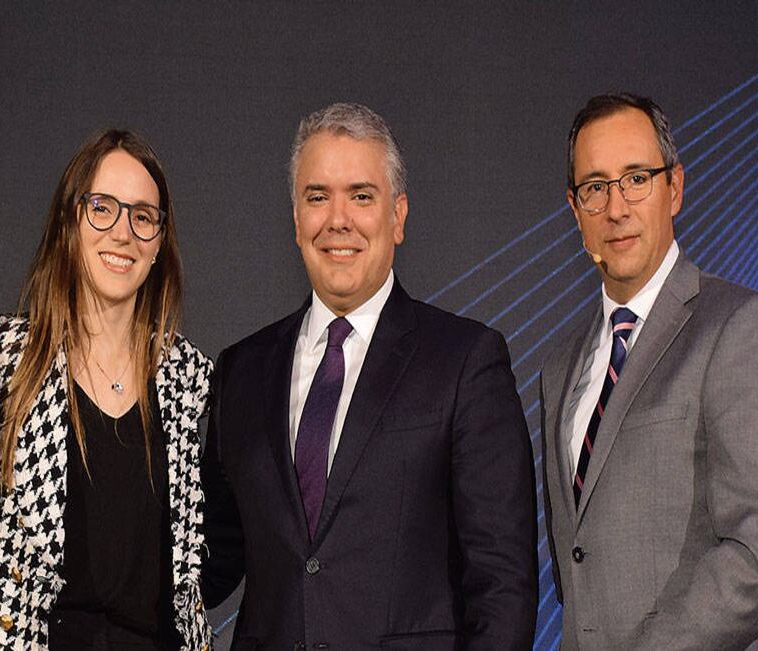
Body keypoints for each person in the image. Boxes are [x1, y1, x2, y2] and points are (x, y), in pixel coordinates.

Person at [202, 102, 538, 649]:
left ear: (398, 217)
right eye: (317, 197)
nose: (338, 220)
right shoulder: (241, 370)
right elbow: (209, 561)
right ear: (295, 219)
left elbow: (502, 583)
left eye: (361, 196)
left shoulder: (465, 361)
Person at [0, 129, 212, 649]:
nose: (123, 232)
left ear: (160, 242)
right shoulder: (2, 359)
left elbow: (214, 551)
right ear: (70, 221)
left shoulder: (191, 380)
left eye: (143, 216)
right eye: (103, 208)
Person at [541, 92, 758, 649]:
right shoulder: (560, 365)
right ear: (575, 210)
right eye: (595, 188)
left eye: (636, 179)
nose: (616, 208)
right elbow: (576, 558)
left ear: (674, 188)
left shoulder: (742, 326)